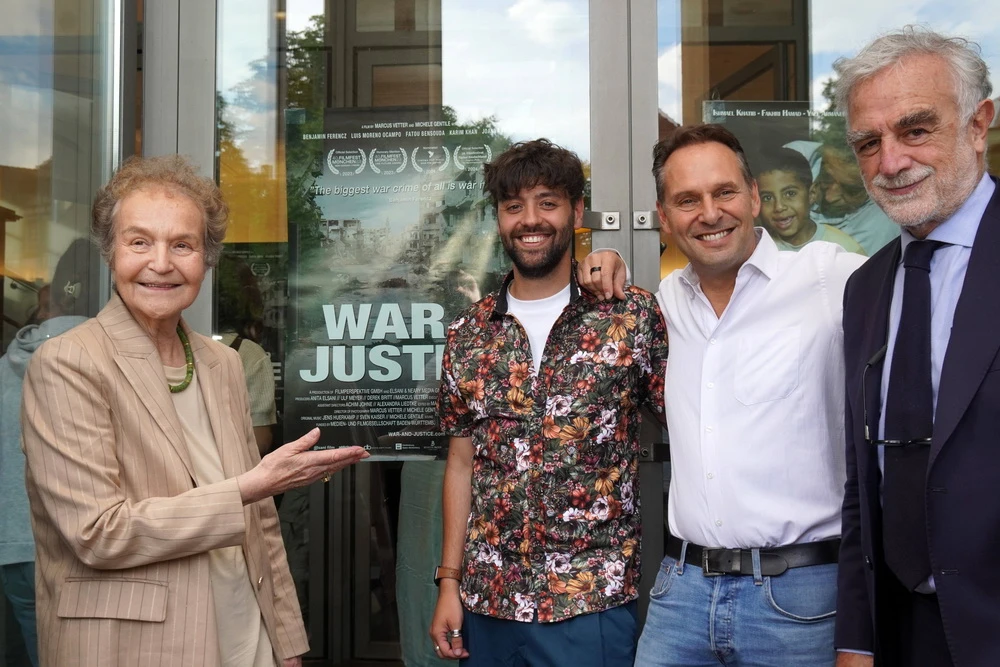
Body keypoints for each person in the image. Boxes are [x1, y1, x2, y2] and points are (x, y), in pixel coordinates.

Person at [20, 155, 369, 667]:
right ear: (110, 252)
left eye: (182, 245)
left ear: (206, 259)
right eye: (139, 242)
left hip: (244, 632)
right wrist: (252, 487)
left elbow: (261, 523)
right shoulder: (68, 362)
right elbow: (98, 533)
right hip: (133, 646)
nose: (161, 263)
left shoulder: (222, 362)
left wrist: (286, 642)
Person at [578, 124, 866, 666]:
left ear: (754, 196)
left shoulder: (832, 279)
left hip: (801, 597)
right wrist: (605, 254)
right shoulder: (660, 307)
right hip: (680, 594)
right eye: (688, 200)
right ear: (664, 218)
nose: (710, 214)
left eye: (725, 192)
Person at [429, 139, 668, 665]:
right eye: (514, 206)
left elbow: (693, 424)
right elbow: (462, 464)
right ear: (498, 218)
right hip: (487, 601)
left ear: (577, 211)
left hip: (590, 604)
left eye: (547, 202)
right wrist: (449, 582)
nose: (530, 220)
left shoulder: (629, 316)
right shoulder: (467, 334)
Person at [833, 28, 998, 667]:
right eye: (869, 143)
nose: (891, 161)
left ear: (979, 124)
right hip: (898, 632)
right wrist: (856, 638)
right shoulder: (865, 288)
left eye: (916, 129)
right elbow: (862, 483)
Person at [0, 238, 92, 667]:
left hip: (15, 545)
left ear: (46, 298)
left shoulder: (5, 366)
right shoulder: (108, 361)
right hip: (87, 544)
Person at [754, 147, 866, 255]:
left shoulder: (845, 249)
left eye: (790, 193)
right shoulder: (757, 249)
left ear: (812, 194)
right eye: (767, 198)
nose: (778, 207)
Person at [812, 144, 899, 255]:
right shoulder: (810, 209)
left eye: (846, 188)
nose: (829, 198)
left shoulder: (882, 223)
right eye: (826, 181)